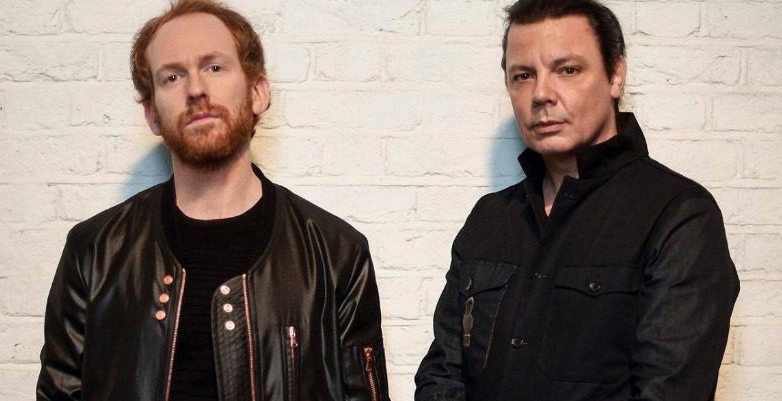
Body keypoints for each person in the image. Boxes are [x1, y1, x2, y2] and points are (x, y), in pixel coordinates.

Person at [36, 1, 390, 400]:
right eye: (172, 77)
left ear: (257, 92)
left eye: (214, 67)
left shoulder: (337, 254)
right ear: (152, 114)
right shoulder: (95, 251)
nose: (196, 89)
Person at [415, 0, 739, 400]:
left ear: (616, 75)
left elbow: (670, 391)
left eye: (567, 70)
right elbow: (441, 375)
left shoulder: (677, 216)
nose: (541, 94)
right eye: (523, 75)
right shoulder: (489, 218)